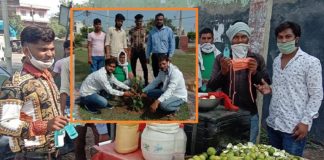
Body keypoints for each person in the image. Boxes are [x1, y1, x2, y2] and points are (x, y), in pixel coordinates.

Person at [0, 25, 69, 159]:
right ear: (26, 51)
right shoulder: (15, 84)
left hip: (53, 150)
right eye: (43, 49)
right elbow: (4, 124)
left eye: (52, 49)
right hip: (31, 155)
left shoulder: (46, 75)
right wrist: (45, 126)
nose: (50, 54)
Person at [255, 21, 323, 156]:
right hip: (274, 123)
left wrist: (306, 122)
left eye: (288, 37)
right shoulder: (276, 61)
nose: (283, 40)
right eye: (280, 37)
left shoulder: (310, 62)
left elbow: (317, 95)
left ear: (296, 38)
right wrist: (270, 89)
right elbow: (286, 86)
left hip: (294, 128)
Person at [207, 21, 271, 144]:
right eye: (236, 37)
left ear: (248, 39)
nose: (240, 40)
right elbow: (211, 86)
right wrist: (223, 72)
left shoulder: (256, 59)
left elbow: (266, 84)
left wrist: (255, 72)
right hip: (225, 115)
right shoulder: (221, 58)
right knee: (224, 149)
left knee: (246, 150)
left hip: (250, 114)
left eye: (243, 37)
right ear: (231, 40)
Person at [59, 41, 109, 160]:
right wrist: (61, 112)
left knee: (101, 140)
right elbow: (64, 89)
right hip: (75, 110)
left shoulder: (89, 65)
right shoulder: (63, 65)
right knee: (78, 142)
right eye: (68, 49)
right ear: (65, 50)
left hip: (92, 107)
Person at [146, 13, 175, 77]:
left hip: (164, 55)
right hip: (155, 56)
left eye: (161, 19)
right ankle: (158, 86)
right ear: (155, 20)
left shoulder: (168, 30)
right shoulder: (151, 32)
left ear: (163, 20)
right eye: (157, 19)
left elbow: (172, 44)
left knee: (165, 73)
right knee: (155, 73)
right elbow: (149, 45)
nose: (159, 21)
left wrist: (170, 55)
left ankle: (164, 86)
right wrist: (147, 56)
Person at [198, 28, 221, 92]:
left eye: (209, 38)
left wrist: (211, 81)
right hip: (198, 88)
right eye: (204, 38)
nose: (206, 41)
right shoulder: (196, 53)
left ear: (212, 39)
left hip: (213, 89)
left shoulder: (218, 55)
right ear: (200, 39)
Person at [129, 14, 149, 86]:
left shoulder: (145, 30)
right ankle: (134, 83)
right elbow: (129, 41)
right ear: (135, 21)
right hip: (134, 50)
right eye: (137, 21)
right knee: (133, 67)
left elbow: (147, 41)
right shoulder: (131, 30)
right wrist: (130, 52)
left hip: (142, 51)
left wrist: (147, 52)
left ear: (142, 21)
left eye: (140, 21)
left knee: (144, 67)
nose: (139, 23)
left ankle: (146, 82)